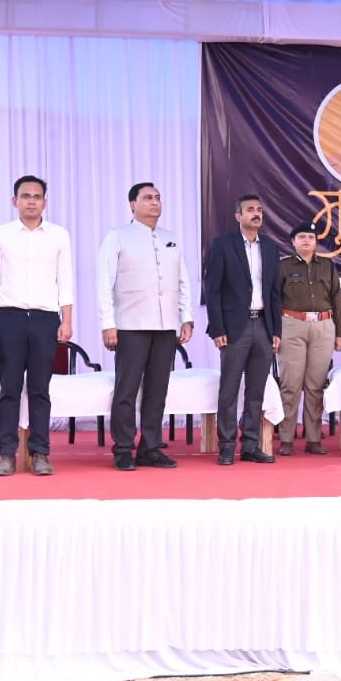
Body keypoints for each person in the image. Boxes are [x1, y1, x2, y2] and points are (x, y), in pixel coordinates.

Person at [0, 175, 74, 477]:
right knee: (8, 388)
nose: (31, 201)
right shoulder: (0, 235)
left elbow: (65, 280)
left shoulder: (59, 235)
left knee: (40, 389)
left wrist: (67, 320)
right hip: (10, 318)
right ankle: (6, 454)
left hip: (46, 319)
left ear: (45, 202)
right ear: (14, 201)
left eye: (36, 196)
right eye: (25, 196)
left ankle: (40, 453)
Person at [97, 183, 193, 472]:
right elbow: (104, 283)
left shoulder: (170, 238)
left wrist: (186, 317)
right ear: (132, 204)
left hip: (165, 326)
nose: (154, 202)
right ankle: (123, 449)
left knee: (157, 390)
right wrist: (108, 323)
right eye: (148, 198)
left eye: (158, 198)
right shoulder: (117, 236)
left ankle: (150, 447)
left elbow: (183, 281)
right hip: (130, 325)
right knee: (126, 390)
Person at [204, 194, 282, 466]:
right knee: (229, 389)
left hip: (263, 325)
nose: (256, 213)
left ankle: (250, 445)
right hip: (234, 327)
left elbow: (275, 293)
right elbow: (212, 290)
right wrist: (217, 328)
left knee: (256, 390)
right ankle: (226, 446)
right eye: (250, 210)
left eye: (259, 209)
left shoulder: (270, 247)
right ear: (238, 216)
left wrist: (276, 330)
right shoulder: (222, 245)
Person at [276, 222, 341, 455]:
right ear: (293, 241)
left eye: (310, 237)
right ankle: (286, 438)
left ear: (316, 242)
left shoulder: (327, 265)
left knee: (316, 386)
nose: (306, 240)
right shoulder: (283, 266)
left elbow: (337, 299)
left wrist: (339, 332)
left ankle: (314, 438)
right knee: (290, 384)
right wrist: (274, 332)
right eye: (301, 237)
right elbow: (274, 300)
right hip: (292, 326)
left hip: (323, 327)